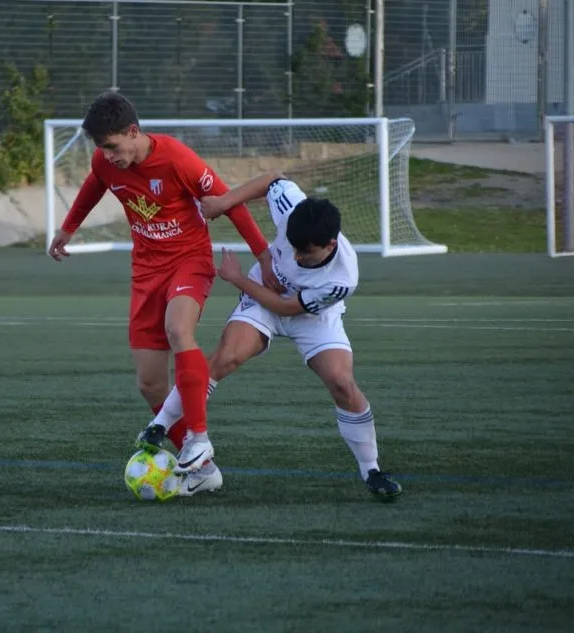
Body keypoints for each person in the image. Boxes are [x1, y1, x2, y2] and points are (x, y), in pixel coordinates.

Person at [48, 92, 279, 472]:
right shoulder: (105, 162)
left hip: (189, 261)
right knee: (150, 383)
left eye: (112, 146)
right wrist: (69, 228)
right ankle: (202, 467)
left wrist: (264, 256)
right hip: (146, 270)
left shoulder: (176, 159)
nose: (107, 155)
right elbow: (96, 182)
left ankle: (200, 438)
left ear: (134, 132)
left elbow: (228, 202)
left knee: (178, 329)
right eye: (101, 149)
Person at [137, 171, 403, 500]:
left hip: (309, 316)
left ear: (330, 244)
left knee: (341, 382)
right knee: (225, 357)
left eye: (304, 252)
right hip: (261, 298)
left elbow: (287, 307)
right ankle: (158, 426)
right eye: (291, 246)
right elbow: (272, 180)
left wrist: (237, 278)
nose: (294, 256)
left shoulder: (342, 278)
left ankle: (371, 470)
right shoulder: (293, 205)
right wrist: (224, 201)